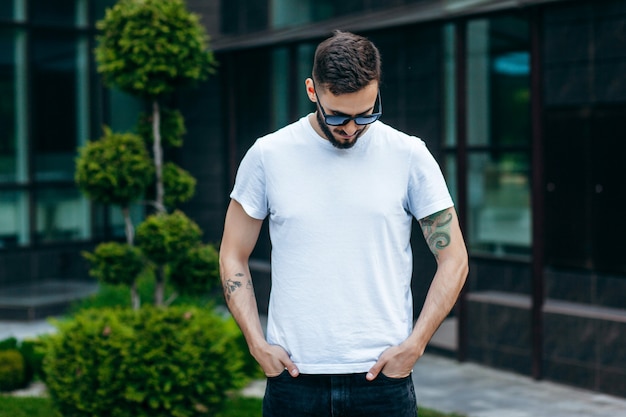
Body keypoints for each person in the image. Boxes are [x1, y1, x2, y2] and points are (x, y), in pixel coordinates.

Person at [219, 30, 468, 417]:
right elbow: (233, 254)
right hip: (294, 380)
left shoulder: (409, 155)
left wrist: (416, 345)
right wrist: (256, 343)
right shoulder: (268, 155)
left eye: (366, 113)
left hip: (383, 381)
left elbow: (454, 258)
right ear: (311, 90)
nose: (352, 128)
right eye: (338, 116)